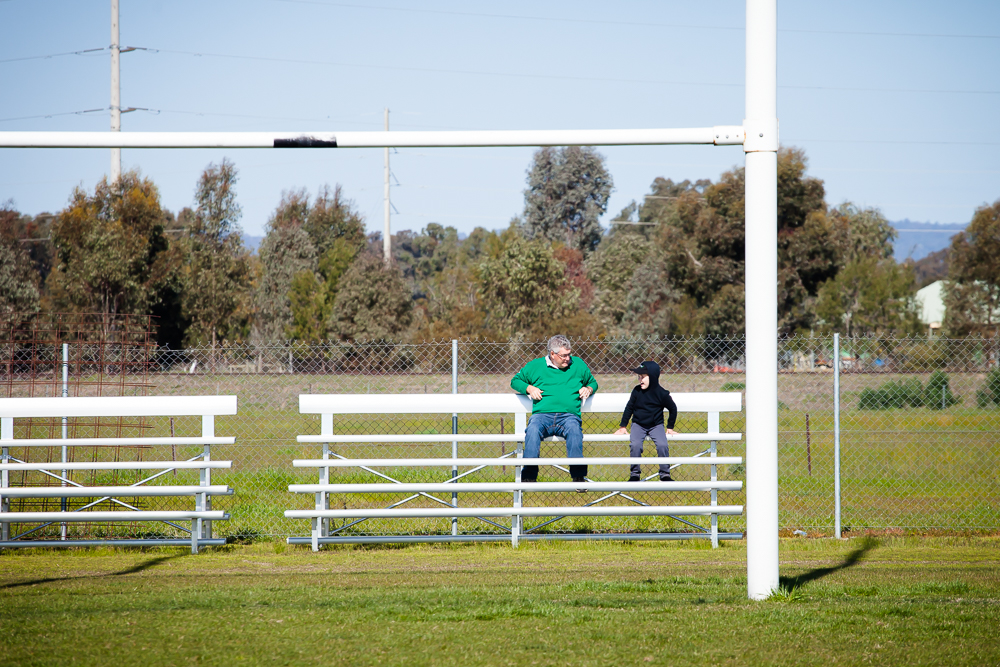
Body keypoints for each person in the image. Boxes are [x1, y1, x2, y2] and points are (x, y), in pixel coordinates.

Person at [510, 335, 598, 487]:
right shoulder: (535, 366)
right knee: (532, 430)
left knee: (575, 431)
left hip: (569, 416)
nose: (568, 359)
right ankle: (529, 476)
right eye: (563, 355)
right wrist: (529, 388)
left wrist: (588, 389)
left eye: (569, 354)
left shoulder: (578, 364)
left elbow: (592, 382)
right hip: (542, 416)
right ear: (552, 354)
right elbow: (515, 381)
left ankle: (578, 478)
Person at [614, 361, 678, 482]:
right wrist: (623, 426)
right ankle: (635, 474)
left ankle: (665, 474)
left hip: (656, 425)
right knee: (635, 445)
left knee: (662, 445)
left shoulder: (662, 393)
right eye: (639, 377)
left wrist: (670, 427)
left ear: (653, 377)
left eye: (643, 377)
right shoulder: (637, 391)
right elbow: (629, 408)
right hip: (638, 424)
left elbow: (673, 408)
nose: (640, 380)